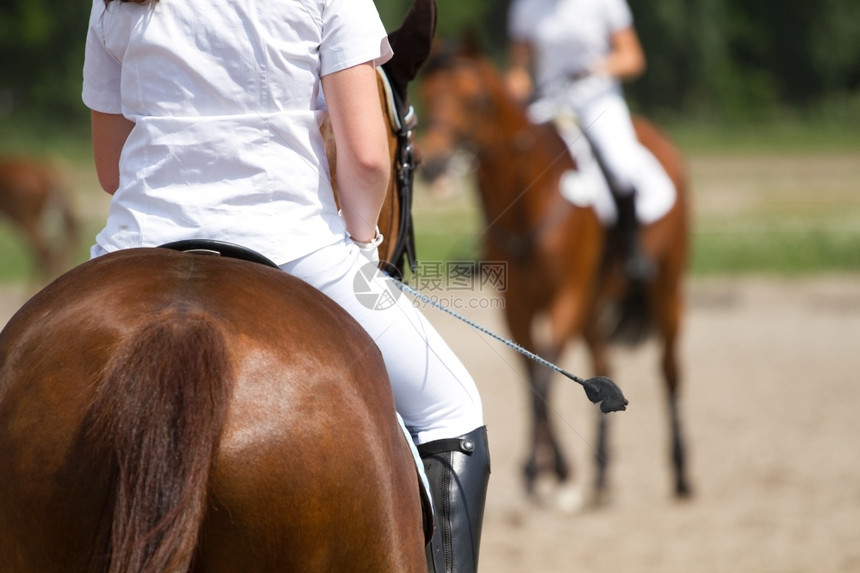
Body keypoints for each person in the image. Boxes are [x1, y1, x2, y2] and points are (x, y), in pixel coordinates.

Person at [82, 0, 489, 570]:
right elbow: (369, 160)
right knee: (452, 406)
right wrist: (364, 245)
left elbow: (110, 167)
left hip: (136, 243)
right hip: (293, 246)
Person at [506, 0, 663, 281]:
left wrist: (597, 68)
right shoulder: (526, 6)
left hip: (597, 99)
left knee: (621, 166)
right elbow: (519, 67)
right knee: (513, 160)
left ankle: (631, 248)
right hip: (550, 101)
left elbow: (632, 58)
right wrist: (516, 86)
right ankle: (503, 247)